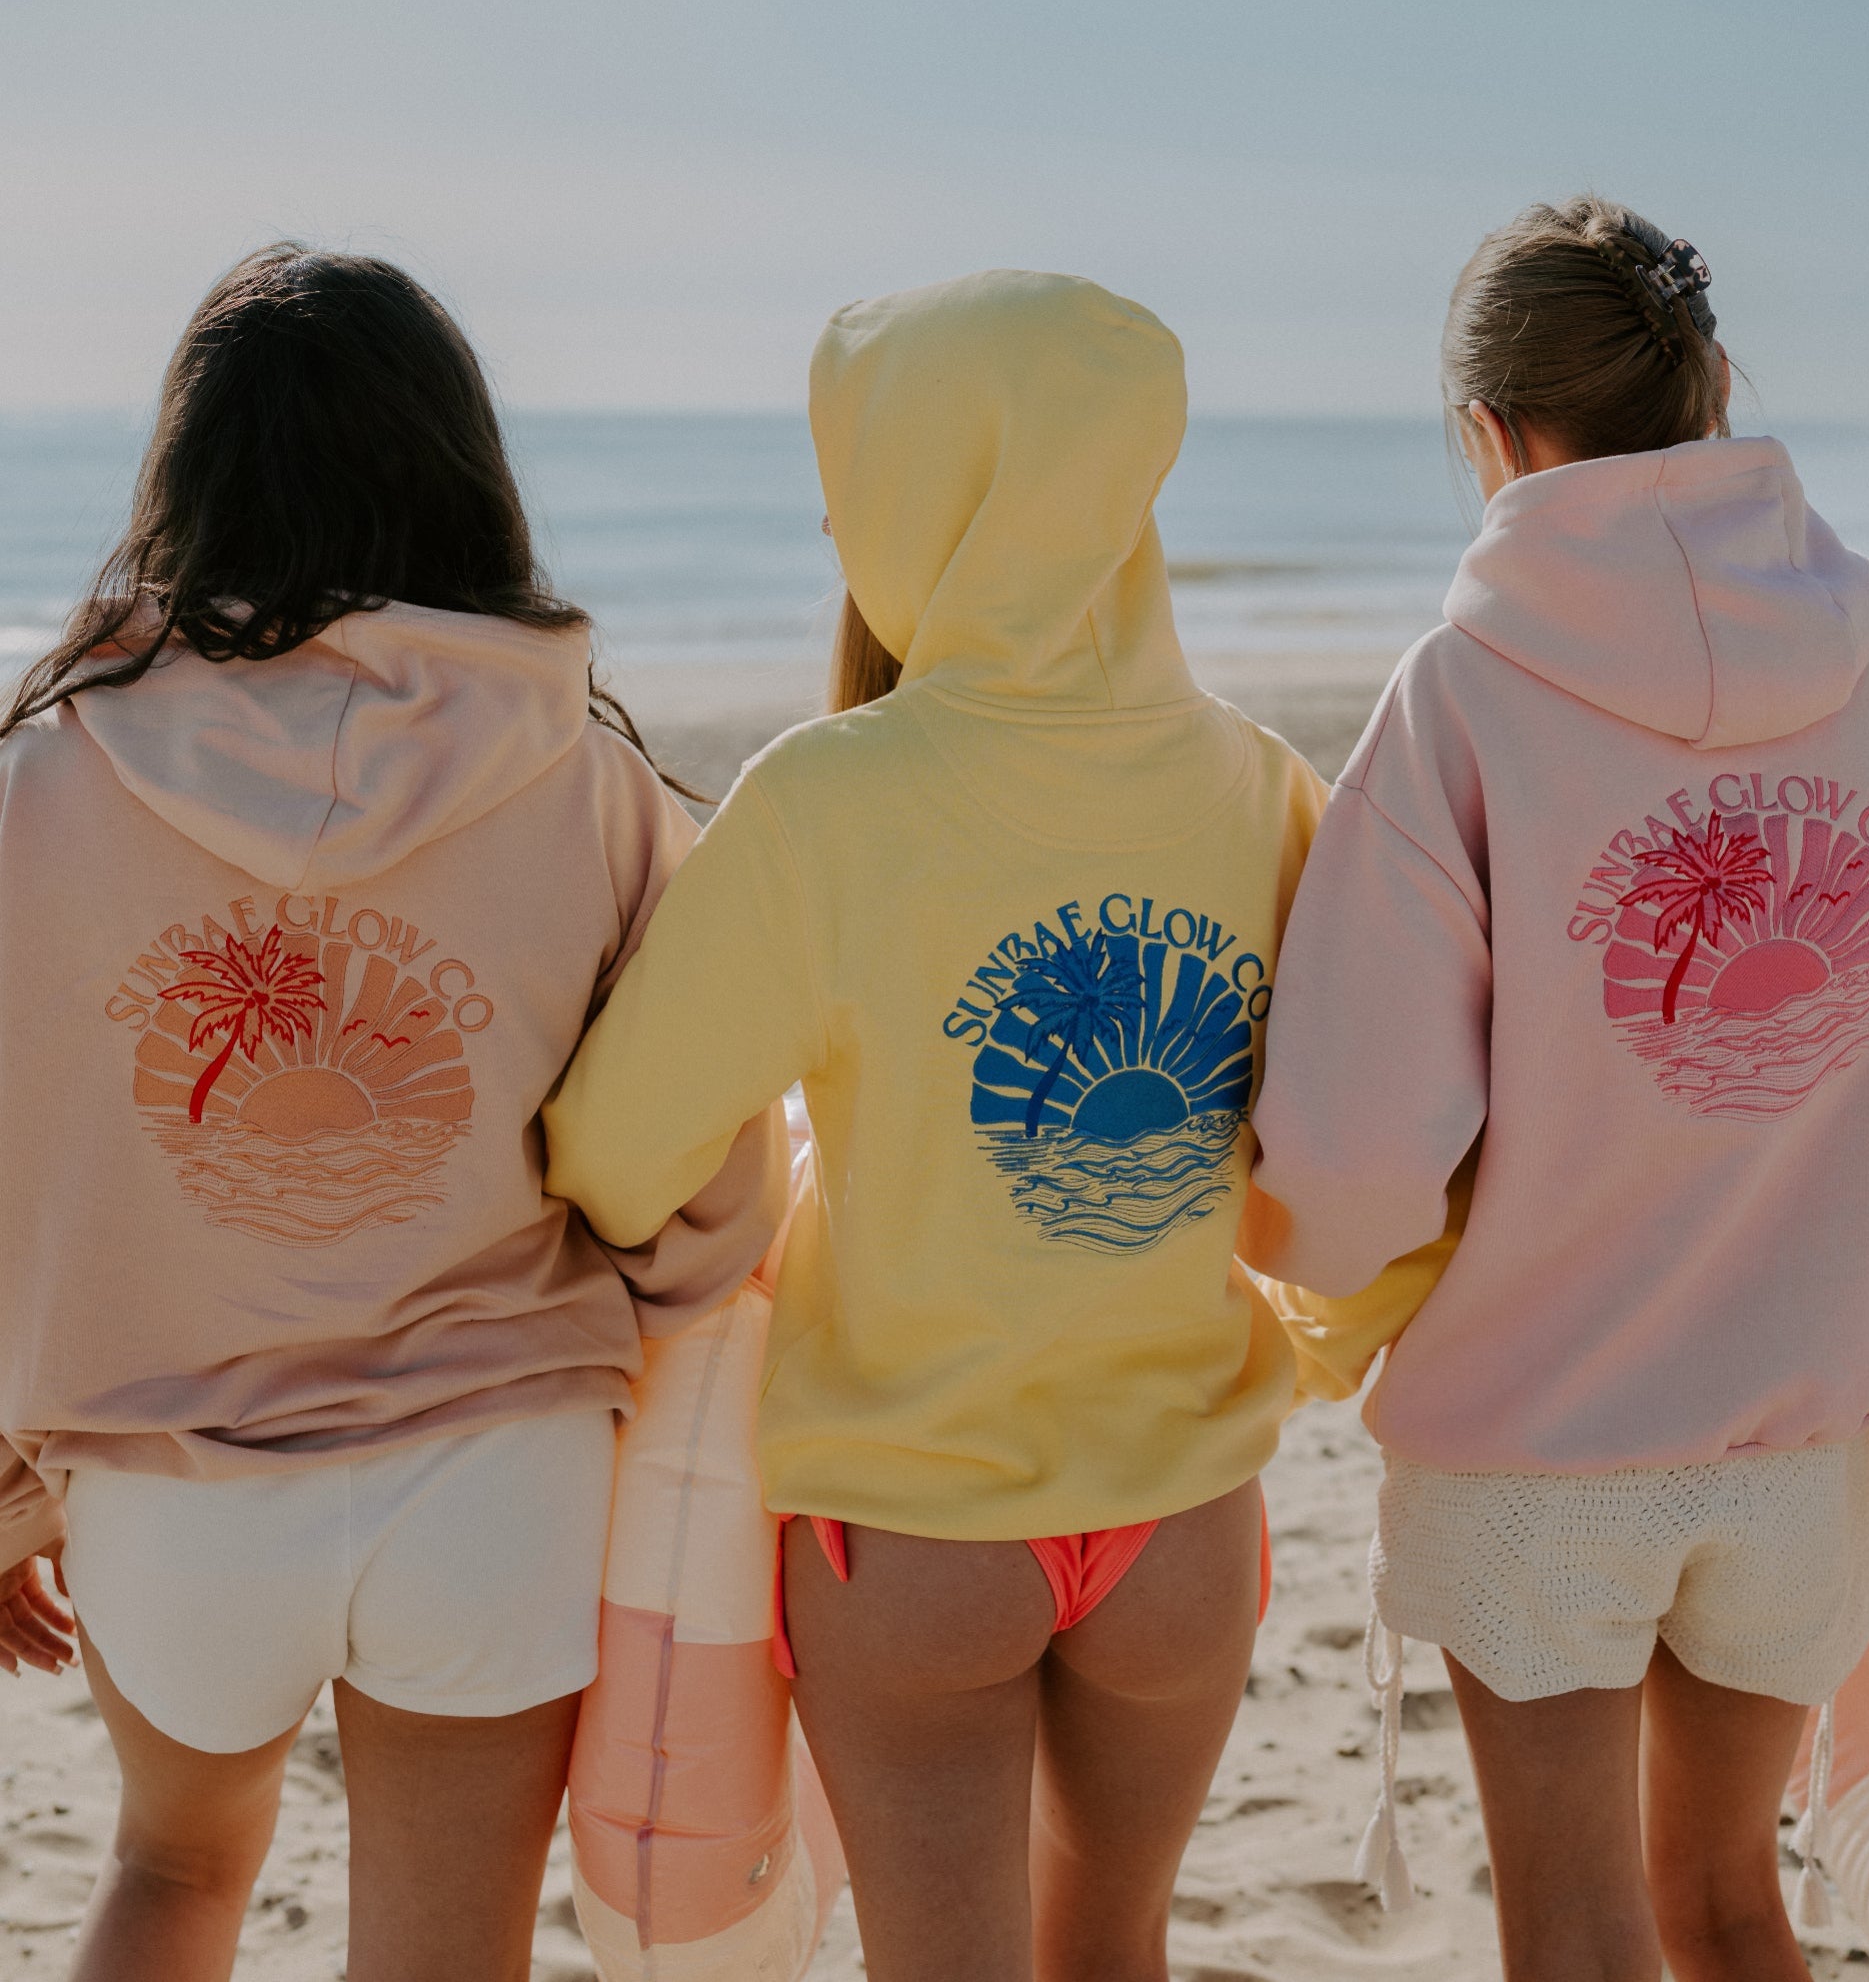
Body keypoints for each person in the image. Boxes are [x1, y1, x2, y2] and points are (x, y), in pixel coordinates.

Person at [546, 270, 1439, 1982]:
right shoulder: (1259, 783)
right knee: (1116, 1948)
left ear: (914, 501)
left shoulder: (829, 798)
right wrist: (1325, 1344)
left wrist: (791, 1184)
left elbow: (613, 1155)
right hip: (1186, 1516)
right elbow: (1367, 1146)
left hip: (911, 1528)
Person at [1246, 195, 1869, 1982]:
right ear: (1710, 393)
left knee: (1580, 1931)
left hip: (1535, 1449)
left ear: (1489, 436)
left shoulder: (1457, 699)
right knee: (1726, 1907)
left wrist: (1291, 1253)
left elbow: (1360, 1160)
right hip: (1801, 1436)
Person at [0, 245, 785, 1982]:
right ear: (459, 470)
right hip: (493, 1463)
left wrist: (6, 1480)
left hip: (169, 1481)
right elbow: (709, 1168)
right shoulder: (584, 780)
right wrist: (646, 1303)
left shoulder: (37, 788)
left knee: (174, 1874)